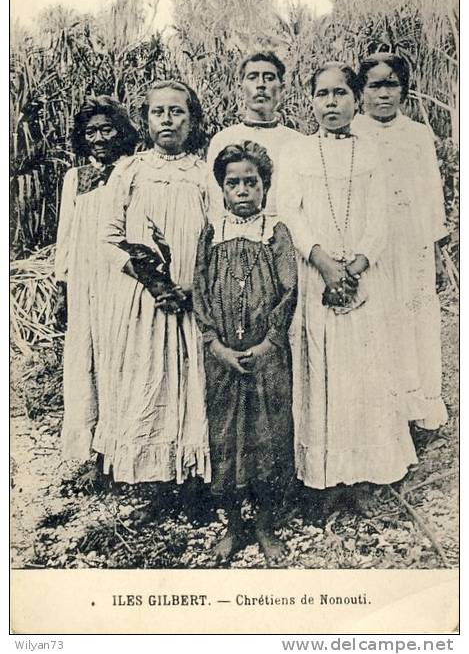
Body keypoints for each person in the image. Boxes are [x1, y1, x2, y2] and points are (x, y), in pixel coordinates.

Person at [277, 62, 417, 515]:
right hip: (316, 276)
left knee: (365, 374)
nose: (331, 103)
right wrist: (323, 262)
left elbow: (382, 219)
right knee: (321, 371)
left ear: (355, 99)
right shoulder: (298, 154)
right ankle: (323, 481)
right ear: (311, 100)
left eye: (340, 93)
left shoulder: (370, 152)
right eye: (322, 94)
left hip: (363, 279)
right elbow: (291, 214)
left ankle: (365, 476)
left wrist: (355, 265)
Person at [94, 81, 210, 498]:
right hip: (145, 301)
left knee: (191, 382)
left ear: (191, 120)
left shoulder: (202, 172)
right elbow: (107, 237)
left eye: (177, 111)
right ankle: (156, 486)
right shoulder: (130, 170)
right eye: (158, 112)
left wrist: (191, 285)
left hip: (192, 300)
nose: (168, 119)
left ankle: (193, 482)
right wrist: (153, 282)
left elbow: (216, 235)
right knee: (149, 381)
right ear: (146, 121)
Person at [193, 141, 297, 565]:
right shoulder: (211, 233)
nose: (241, 191)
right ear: (221, 188)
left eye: (250, 182)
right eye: (232, 183)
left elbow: (289, 291)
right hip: (223, 357)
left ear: (265, 187)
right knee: (226, 435)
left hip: (266, 355)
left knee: (268, 433)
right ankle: (233, 524)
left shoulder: (276, 232)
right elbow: (199, 291)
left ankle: (266, 523)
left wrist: (268, 342)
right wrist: (215, 345)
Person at [354, 52, 448, 431]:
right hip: (372, 245)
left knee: (416, 318)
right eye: (375, 86)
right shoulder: (354, 132)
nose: (383, 94)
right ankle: (384, 412)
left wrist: (437, 251)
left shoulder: (417, 134)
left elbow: (430, 193)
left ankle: (420, 406)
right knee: (379, 319)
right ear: (361, 92)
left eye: (391, 84)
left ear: (404, 90)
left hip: (413, 241)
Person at [55, 95, 139, 480]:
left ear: (121, 132)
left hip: (120, 280)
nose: (100, 138)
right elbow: (67, 236)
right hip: (85, 283)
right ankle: (96, 457)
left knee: (120, 362)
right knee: (85, 362)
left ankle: (122, 453)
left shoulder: (133, 171)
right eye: (91, 132)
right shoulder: (75, 178)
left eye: (107, 129)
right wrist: (62, 285)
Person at [206, 51, 305, 221]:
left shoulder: (298, 142)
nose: (261, 85)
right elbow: (216, 204)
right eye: (253, 77)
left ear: (282, 88)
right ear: (240, 87)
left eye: (269, 77)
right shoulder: (223, 140)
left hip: (287, 237)